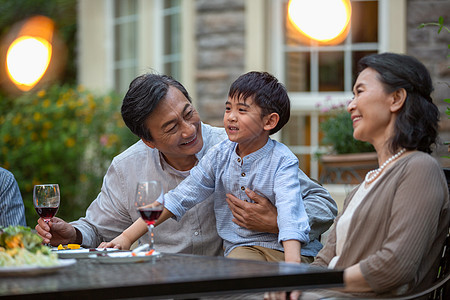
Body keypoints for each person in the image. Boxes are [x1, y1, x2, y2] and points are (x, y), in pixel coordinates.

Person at [35, 73, 337, 261]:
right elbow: (101, 229)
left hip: (241, 277)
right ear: (148, 140)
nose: (189, 130)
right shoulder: (128, 168)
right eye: (170, 127)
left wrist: (275, 222)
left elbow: (322, 204)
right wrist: (73, 234)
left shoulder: (242, 147)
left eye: (188, 113)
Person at [270, 53, 449, 299]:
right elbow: (324, 260)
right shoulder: (364, 185)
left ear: (396, 98)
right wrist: (294, 286)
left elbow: (395, 266)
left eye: (360, 92)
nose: (351, 105)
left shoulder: (420, 168)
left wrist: (312, 286)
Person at [102, 71, 310, 263]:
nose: (231, 116)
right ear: (148, 140)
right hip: (244, 250)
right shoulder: (220, 154)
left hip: (288, 251)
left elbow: (291, 214)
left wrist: (291, 269)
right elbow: (179, 197)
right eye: (228, 108)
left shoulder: (282, 160)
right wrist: (126, 237)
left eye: (242, 110)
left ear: (269, 121)